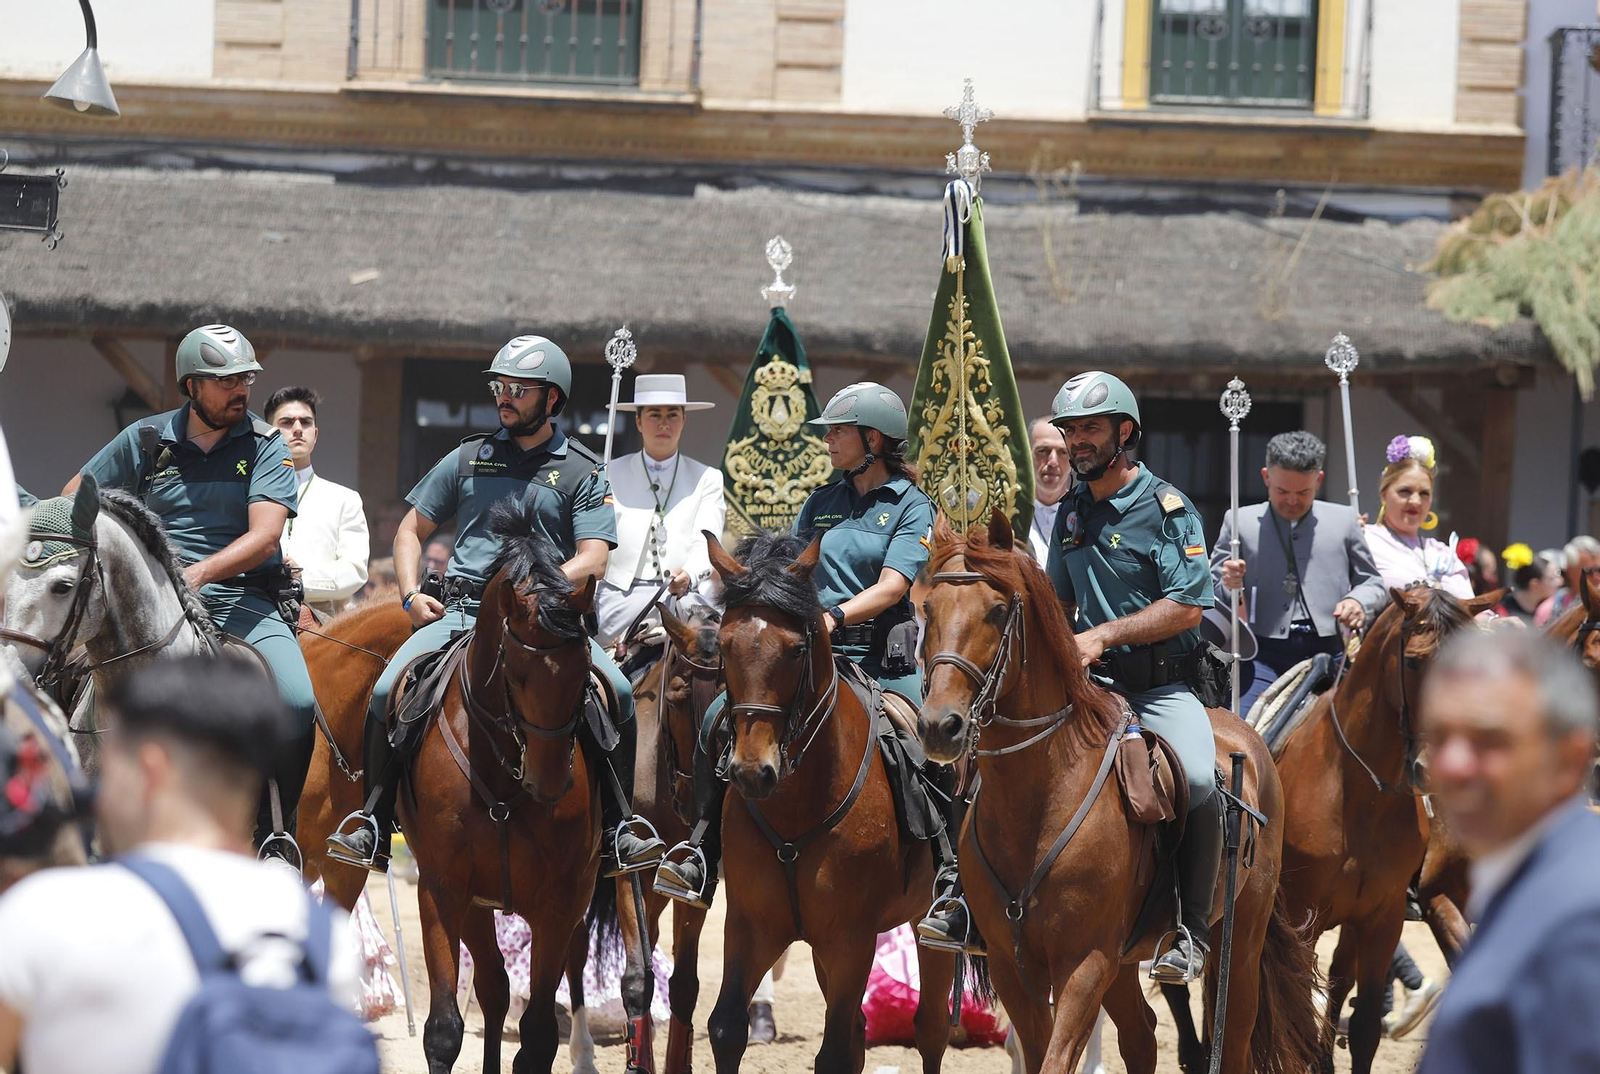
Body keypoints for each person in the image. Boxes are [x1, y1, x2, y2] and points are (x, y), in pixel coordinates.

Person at [324, 335, 663, 877]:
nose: (504, 398)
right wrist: (411, 595)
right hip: (462, 614)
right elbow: (411, 529)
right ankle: (374, 820)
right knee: (389, 687)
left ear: (552, 400)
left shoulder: (580, 470)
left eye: (518, 390)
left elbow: (594, 558)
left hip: (547, 621)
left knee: (618, 692)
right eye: (500, 387)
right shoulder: (467, 457)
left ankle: (620, 829)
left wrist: (533, 587)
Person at [652, 384, 956, 942]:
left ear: (873, 439)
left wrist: (833, 619)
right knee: (720, 716)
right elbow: (788, 574)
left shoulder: (912, 506)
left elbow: (892, 588)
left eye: (837, 431)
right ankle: (700, 847)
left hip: (880, 662)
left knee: (928, 745)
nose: (828, 440)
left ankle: (949, 880)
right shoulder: (821, 501)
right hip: (807, 660)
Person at [0, 657, 361, 1074]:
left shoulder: (44, 916)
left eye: (110, 767)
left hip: (257, 604)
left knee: (297, 692)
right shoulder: (325, 936)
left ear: (151, 772)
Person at [65, 324, 316, 859]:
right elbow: (74, 497)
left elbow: (265, 534)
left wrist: (196, 574)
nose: (240, 390)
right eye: (225, 381)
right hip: (148, 599)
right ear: (191, 386)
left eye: (245, 378)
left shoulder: (266, 443)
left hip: (244, 601)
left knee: (297, 701)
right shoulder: (146, 439)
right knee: (43, 668)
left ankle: (277, 831)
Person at [1043, 371, 1220, 983]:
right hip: (1090, 690)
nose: (1076, 442)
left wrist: (1103, 635)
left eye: (1090, 429)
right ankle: (972, 903)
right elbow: (1057, 606)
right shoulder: (1070, 509)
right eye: (1070, 431)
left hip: (1160, 685)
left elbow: (1189, 604)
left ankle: (1191, 933)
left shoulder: (1166, 507)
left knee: (1199, 777)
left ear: (1125, 432)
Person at [1414, 629, 1600, 1072]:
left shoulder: (1580, 921)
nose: (1453, 765)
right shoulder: (1523, 886)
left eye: (1490, 739)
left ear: (1570, 758)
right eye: (1440, 736)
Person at [1211, 431, 1383, 717]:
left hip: (1330, 652)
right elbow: (1213, 595)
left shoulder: (1344, 521)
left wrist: (1357, 602)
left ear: (1319, 480)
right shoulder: (1239, 522)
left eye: (1303, 492)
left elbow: (1372, 582)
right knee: (1243, 732)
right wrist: (1230, 585)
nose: (1292, 501)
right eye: (1282, 491)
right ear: (1266, 477)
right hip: (1264, 656)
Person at [595, 374, 725, 650]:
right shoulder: (608, 473)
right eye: (654, 415)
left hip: (682, 596)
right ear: (639, 421)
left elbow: (708, 540)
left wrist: (689, 574)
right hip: (619, 596)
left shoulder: (707, 477)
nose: (664, 423)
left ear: (684, 420)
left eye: (672, 415)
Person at [265, 386, 369, 619]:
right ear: (269, 433)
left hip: (323, 623)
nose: (298, 429)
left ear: (316, 434)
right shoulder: (248, 493)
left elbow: (355, 571)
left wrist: (301, 577)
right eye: (287, 422)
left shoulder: (344, 499)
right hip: (256, 613)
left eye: (306, 422)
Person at [1363, 435, 1473, 599]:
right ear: (1384, 494)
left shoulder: (1441, 553)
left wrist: (1493, 620)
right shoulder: (1365, 540)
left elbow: (1469, 610)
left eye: (1424, 494)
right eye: (1405, 491)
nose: (1415, 501)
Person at [1027, 417, 1072, 562]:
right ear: (1027, 455)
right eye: (1043, 450)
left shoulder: (1086, 514)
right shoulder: (1011, 516)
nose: (1053, 461)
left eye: (1063, 452)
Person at [1493, 545, 1560, 626]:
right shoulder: (1503, 610)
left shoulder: (1552, 609)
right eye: (1552, 578)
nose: (1560, 582)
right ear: (1534, 585)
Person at [1541, 535, 1600, 623]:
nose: (1597, 576)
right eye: (1589, 571)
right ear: (1570, 569)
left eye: (1599, 570)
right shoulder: (1549, 609)